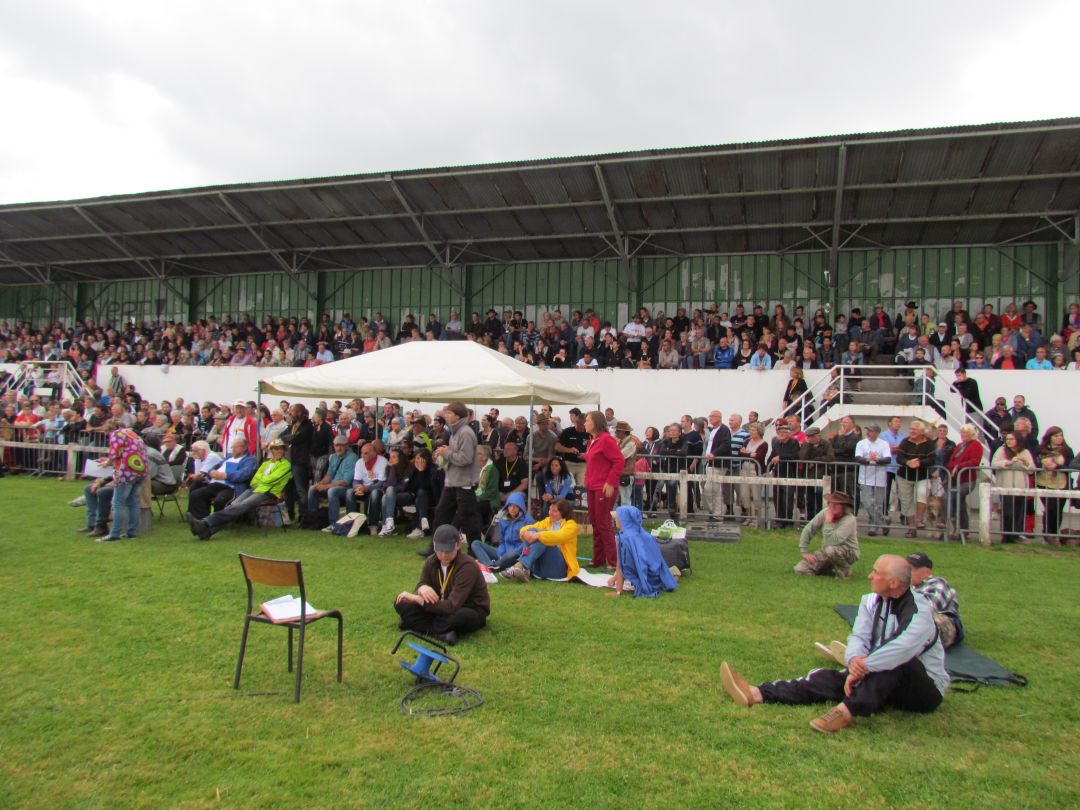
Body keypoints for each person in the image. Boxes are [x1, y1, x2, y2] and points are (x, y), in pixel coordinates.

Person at [720, 554, 948, 734]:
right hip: (878, 675)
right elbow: (859, 637)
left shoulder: (919, 613)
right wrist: (854, 661)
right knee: (829, 678)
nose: (869, 576)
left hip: (923, 691)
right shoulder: (870, 601)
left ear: (893, 582)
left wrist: (862, 668)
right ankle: (758, 693)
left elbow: (902, 648)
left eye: (875, 573)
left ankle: (845, 711)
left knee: (899, 662)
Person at [394, 524, 489, 646]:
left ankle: (414, 624)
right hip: (439, 607)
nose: (443, 555)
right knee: (401, 601)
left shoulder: (467, 566)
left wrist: (420, 600)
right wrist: (422, 588)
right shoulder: (431, 561)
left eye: (448, 550)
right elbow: (421, 584)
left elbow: (452, 606)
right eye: (439, 550)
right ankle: (441, 633)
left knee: (458, 617)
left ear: (458, 545)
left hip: (467, 608)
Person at [189, 439, 293, 540]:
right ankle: (208, 531)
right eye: (275, 449)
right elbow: (254, 480)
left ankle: (205, 522)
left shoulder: (286, 465)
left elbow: (271, 480)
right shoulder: (266, 463)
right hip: (255, 488)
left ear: (284, 450)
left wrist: (262, 479)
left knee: (241, 506)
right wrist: (262, 480)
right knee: (233, 506)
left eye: (280, 449)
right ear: (271, 450)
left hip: (269, 492)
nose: (278, 451)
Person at [427, 401, 483, 553]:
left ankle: (475, 549)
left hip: (464, 482)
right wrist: (445, 452)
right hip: (453, 481)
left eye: (449, 413)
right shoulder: (455, 432)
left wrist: (447, 453)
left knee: (468, 518)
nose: (446, 416)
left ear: (458, 416)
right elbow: (456, 454)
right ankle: (434, 546)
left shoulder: (465, 432)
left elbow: (465, 458)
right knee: (441, 514)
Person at [608, 505, 679, 598]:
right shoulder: (642, 534)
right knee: (668, 575)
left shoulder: (626, 538)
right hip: (655, 574)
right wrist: (615, 577)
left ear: (624, 520)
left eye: (617, 518)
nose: (615, 520)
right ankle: (670, 575)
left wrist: (618, 591)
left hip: (646, 577)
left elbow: (621, 566)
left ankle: (673, 573)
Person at [502, 499, 580, 582]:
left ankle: (520, 566)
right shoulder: (547, 521)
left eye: (554, 511)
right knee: (532, 530)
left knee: (543, 536)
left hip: (559, 570)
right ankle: (524, 568)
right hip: (541, 569)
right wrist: (525, 533)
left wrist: (538, 535)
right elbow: (528, 528)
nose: (550, 513)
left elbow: (559, 536)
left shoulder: (572, 525)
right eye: (550, 509)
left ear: (563, 513)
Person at [95, 423, 149, 542]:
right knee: (133, 502)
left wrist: (107, 463)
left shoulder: (117, 434)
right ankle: (131, 533)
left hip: (126, 472)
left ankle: (114, 534)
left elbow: (114, 454)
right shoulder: (134, 435)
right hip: (140, 470)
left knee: (118, 503)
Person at [583, 410, 623, 569]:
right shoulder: (592, 440)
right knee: (594, 521)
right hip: (592, 486)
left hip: (603, 487)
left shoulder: (606, 440)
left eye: (587, 420)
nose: (585, 423)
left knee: (603, 522)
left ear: (596, 423)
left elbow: (619, 460)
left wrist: (610, 482)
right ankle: (598, 558)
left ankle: (613, 561)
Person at [187, 437, 257, 521]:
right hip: (215, 484)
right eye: (232, 447)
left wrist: (226, 475)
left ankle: (216, 521)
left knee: (220, 500)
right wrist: (211, 471)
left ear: (244, 448)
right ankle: (200, 519)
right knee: (196, 494)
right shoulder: (229, 457)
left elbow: (244, 474)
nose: (233, 449)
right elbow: (217, 466)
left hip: (231, 487)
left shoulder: (250, 460)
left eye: (235, 447)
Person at [794, 491, 859, 579]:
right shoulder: (825, 512)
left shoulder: (850, 520)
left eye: (836, 504)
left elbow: (833, 541)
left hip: (848, 553)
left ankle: (845, 570)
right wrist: (804, 550)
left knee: (830, 550)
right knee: (800, 569)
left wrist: (828, 522)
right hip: (827, 551)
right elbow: (810, 528)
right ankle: (827, 568)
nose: (832, 506)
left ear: (844, 507)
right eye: (831, 503)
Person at [906, 551, 964, 649]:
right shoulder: (911, 589)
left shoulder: (937, 583)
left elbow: (926, 609)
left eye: (912, 569)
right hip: (923, 626)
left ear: (927, 572)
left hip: (944, 623)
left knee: (925, 622)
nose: (907, 573)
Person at [990, 432, 1036, 544]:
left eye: (1012, 439)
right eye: (1007, 439)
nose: (1009, 441)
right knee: (1008, 512)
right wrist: (1008, 462)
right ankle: (1006, 536)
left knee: (1019, 512)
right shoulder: (1001, 450)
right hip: (1006, 485)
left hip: (1021, 486)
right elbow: (994, 463)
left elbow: (1032, 469)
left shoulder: (1025, 452)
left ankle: (1016, 535)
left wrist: (1025, 463)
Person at [306, 435, 359, 525]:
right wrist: (319, 484)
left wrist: (326, 486)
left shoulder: (352, 458)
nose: (338, 448)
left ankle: (333, 523)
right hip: (333, 485)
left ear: (347, 446)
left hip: (346, 488)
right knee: (312, 489)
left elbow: (345, 481)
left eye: (341, 445)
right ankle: (313, 519)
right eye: (336, 445)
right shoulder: (333, 457)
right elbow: (329, 475)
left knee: (332, 491)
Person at [895, 420, 935, 538]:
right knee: (906, 501)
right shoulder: (905, 442)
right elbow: (899, 458)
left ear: (922, 432)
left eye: (915, 430)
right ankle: (912, 528)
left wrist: (919, 462)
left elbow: (932, 459)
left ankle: (919, 519)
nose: (911, 431)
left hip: (922, 475)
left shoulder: (929, 443)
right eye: (911, 429)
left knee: (922, 493)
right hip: (905, 475)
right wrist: (908, 462)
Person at [470, 491, 528, 571]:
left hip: (516, 555)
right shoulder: (503, 519)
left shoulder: (528, 520)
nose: (512, 509)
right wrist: (501, 553)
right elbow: (502, 541)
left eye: (515, 506)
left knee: (510, 555)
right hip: (503, 553)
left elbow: (527, 543)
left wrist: (509, 554)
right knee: (475, 543)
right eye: (510, 505)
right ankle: (490, 565)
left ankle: (492, 564)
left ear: (520, 507)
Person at [944, 424, 984, 541]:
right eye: (962, 433)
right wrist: (950, 471)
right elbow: (952, 461)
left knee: (952, 497)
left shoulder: (976, 445)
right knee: (958, 503)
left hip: (967, 480)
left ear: (972, 434)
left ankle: (953, 526)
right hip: (955, 479)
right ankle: (961, 530)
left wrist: (959, 466)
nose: (962, 435)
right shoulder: (960, 445)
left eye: (965, 433)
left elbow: (975, 461)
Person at [1035, 426, 1073, 543]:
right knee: (1049, 508)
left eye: (1061, 435)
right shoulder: (1040, 449)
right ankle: (1047, 534)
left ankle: (1053, 533)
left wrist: (1057, 466)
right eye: (1056, 436)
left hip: (1061, 484)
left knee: (1057, 509)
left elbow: (1071, 466)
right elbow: (1034, 462)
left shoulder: (1067, 450)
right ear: (1050, 437)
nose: (1059, 438)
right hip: (1044, 482)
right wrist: (1043, 464)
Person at [854, 424, 892, 536]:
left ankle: (873, 526)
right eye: (868, 430)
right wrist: (867, 459)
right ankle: (884, 521)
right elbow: (858, 457)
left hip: (880, 478)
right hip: (864, 477)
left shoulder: (884, 444)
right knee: (867, 502)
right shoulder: (861, 443)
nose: (868, 433)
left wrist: (877, 459)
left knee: (878, 503)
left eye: (871, 431)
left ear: (877, 433)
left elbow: (888, 459)